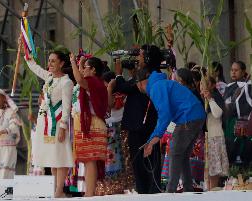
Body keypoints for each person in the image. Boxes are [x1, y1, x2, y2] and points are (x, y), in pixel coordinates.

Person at [137, 68, 206, 193]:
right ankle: (188, 188)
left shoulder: (155, 88)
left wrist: (155, 137)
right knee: (183, 155)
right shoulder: (162, 84)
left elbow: (164, 115)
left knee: (175, 152)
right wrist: (152, 139)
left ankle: (170, 191)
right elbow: (167, 114)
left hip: (188, 117)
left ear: (141, 83)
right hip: (197, 115)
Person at [112, 45, 161, 194]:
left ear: (147, 58)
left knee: (143, 161)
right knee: (146, 160)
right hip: (144, 124)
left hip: (141, 124)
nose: (137, 58)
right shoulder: (152, 72)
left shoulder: (147, 74)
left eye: (140, 55)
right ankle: (147, 190)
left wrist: (119, 74)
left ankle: (147, 191)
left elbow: (124, 88)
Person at [24, 50, 74, 198]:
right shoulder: (49, 78)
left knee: (61, 155)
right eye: (49, 61)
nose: (50, 64)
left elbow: (66, 106)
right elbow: (35, 68)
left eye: (53, 61)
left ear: (61, 63)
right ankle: (55, 189)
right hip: (45, 123)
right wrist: (26, 53)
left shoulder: (66, 82)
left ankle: (60, 190)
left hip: (58, 124)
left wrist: (63, 127)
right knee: (53, 157)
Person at [70, 53, 108, 197]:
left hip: (91, 124)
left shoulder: (93, 81)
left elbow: (79, 79)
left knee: (90, 159)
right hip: (86, 123)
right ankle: (89, 192)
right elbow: (80, 76)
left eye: (85, 68)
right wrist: (80, 64)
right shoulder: (94, 82)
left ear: (93, 70)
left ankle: (90, 193)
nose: (83, 70)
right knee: (87, 161)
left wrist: (73, 62)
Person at [200, 76, 229, 190]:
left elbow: (217, 114)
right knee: (210, 169)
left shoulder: (216, 97)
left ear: (212, 85)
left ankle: (214, 192)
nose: (203, 87)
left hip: (216, 136)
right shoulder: (203, 98)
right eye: (202, 84)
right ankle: (211, 191)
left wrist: (210, 99)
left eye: (206, 84)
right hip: (209, 137)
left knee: (214, 170)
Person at [223, 61, 252, 165]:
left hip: (245, 125)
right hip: (231, 124)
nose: (233, 72)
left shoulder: (249, 86)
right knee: (231, 152)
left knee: (245, 152)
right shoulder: (229, 86)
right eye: (231, 70)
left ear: (243, 71)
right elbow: (226, 104)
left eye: (236, 70)